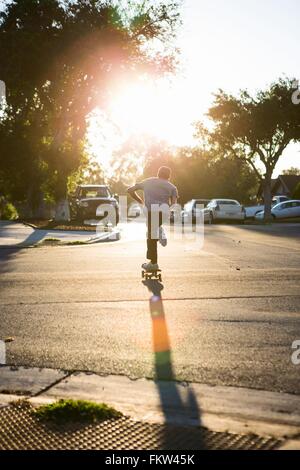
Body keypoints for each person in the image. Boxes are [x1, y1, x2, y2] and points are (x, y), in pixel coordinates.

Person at [127, 166, 178, 272]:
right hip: (164, 212)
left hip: (151, 211)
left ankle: (153, 263)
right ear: (169, 176)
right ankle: (160, 231)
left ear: (158, 174)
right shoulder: (172, 187)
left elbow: (130, 190)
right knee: (153, 233)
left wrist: (140, 200)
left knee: (151, 236)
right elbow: (173, 203)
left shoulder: (148, 182)